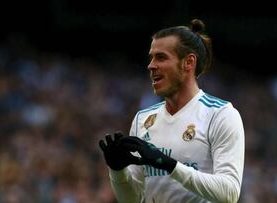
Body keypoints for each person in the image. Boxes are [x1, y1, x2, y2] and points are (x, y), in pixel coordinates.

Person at [99, 19, 245, 203]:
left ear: (188, 62)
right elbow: (132, 200)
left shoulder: (221, 115)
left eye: (161, 57)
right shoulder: (143, 119)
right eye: (151, 57)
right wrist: (117, 171)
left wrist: (167, 163)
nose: (151, 65)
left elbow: (229, 193)